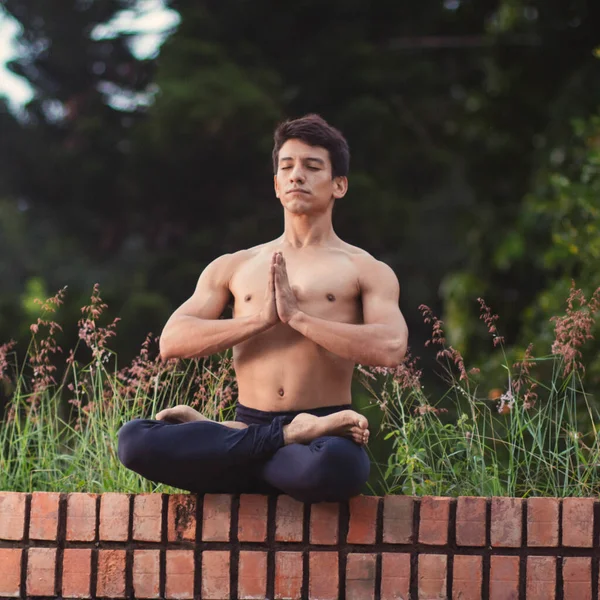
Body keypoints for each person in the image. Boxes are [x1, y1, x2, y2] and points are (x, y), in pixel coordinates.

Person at [117, 114, 408, 503]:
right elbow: (172, 340)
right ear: (275, 185)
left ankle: (231, 445)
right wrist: (259, 320)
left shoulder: (364, 268)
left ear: (339, 185)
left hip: (322, 431)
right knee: (134, 442)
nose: (296, 176)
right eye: (286, 167)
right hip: (260, 420)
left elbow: (390, 346)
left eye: (311, 166)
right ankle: (278, 437)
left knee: (334, 469)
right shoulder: (236, 264)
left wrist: (299, 318)